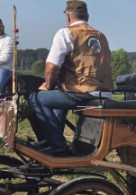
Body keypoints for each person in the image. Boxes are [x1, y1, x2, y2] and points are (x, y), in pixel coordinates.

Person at [29, 1, 112, 156]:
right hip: (105, 92)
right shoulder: (101, 36)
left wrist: (48, 85)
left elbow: (51, 68)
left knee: (37, 98)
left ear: (68, 17)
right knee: (60, 95)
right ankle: (54, 140)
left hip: (83, 92)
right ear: (87, 16)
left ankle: (56, 144)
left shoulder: (66, 33)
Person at [0, 19, 13, 95]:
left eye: (0, 26)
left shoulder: (8, 40)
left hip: (4, 68)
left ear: (3, 26)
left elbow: (6, 58)